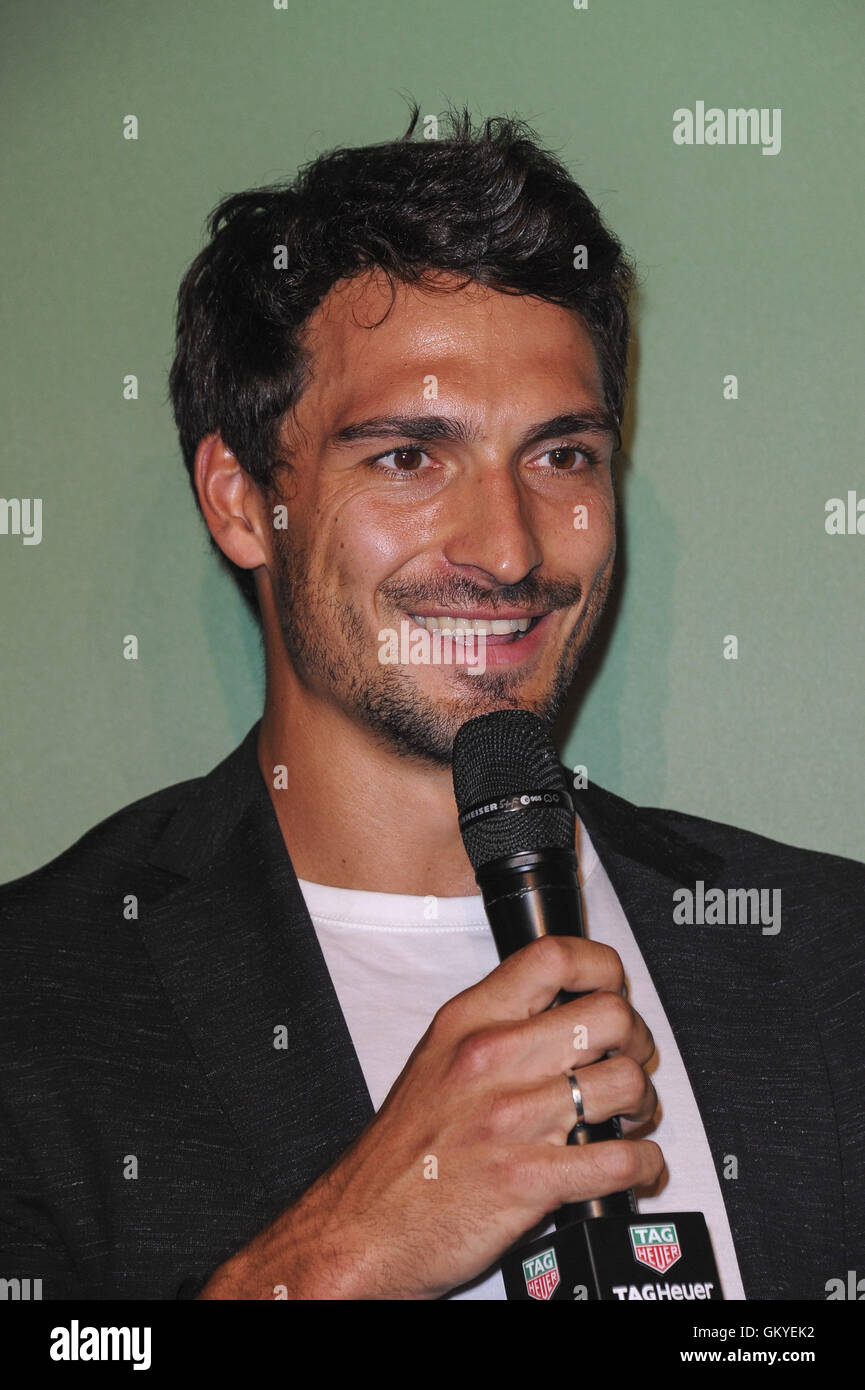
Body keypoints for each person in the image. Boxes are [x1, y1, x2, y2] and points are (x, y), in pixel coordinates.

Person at [1, 105, 862, 1302]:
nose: (507, 549)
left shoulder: (828, 957)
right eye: (408, 456)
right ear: (243, 500)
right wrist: (345, 1255)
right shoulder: (39, 1003)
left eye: (561, 455)